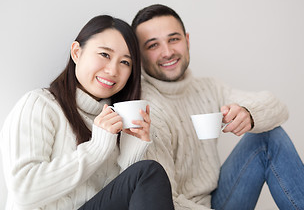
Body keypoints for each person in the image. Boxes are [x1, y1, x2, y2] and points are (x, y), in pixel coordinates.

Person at [131, 4, 304, 210]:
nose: (168, 52)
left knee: (268, 136)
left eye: (174, 39)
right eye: (153, 45)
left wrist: (249, 115)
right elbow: (164, 202)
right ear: (139, 54)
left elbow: (278, 107)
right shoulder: (144, 109)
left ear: (187, 40)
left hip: (218, 201)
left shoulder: (208, 87)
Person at [0, 15, 175, 210]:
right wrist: (96, 149)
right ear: (76, 52)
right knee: (147, 171)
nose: (112, 70)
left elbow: (120, 200)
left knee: (145, 172)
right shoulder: (39, 105)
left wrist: (132, 150)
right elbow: (24, 192)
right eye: (105, 55)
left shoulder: (119, 120)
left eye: (125, 62)